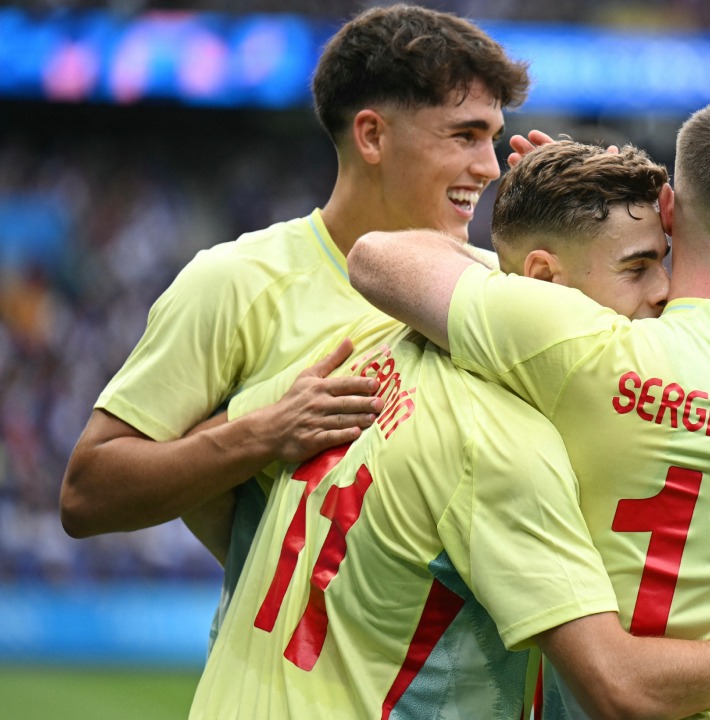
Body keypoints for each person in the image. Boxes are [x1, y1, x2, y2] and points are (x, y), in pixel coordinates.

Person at [190, 141, 710, 719]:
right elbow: (617, 686)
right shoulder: (512, 446)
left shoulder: (363, 351)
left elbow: (200, 480)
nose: (664, 290)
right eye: (638, 266)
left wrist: (538, 247)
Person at [60, 3, 526, 628]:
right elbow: (88, 493)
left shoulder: (501, 288)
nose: (490, 167)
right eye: (464, 135)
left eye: (493, 138)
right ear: (372, 136)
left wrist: (566, 255)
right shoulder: (237, 282)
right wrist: (261, 434)